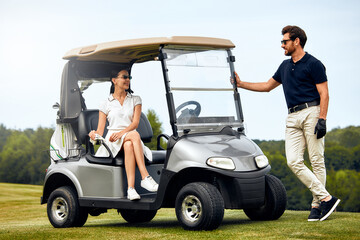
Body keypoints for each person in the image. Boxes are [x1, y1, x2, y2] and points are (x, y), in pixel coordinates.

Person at [233, 25, 340, 221]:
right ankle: (326, 198)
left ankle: (317, 206)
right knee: (293, 161)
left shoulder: (314, 64)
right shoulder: (284, 66)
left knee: (316, 160)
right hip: (292, 116)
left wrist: (322, 119)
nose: (282, 45)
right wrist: (241, 84)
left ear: (296, 41)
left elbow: (324, 94)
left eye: (285, 41)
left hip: (312, 112)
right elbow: (267, 86)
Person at [88, 69, 158, 201]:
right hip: (113, 140)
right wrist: (93, 135)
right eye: (124, 77)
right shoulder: (105, 103)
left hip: (127, 137)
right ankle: (145, 177)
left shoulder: (136, 100)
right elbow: (100, 130)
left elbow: (135, 124)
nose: (128, 80)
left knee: (129, 144)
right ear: (114, 80)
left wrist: (121, 134)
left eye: (129, 77)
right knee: (134, 136)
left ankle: (131, 189)